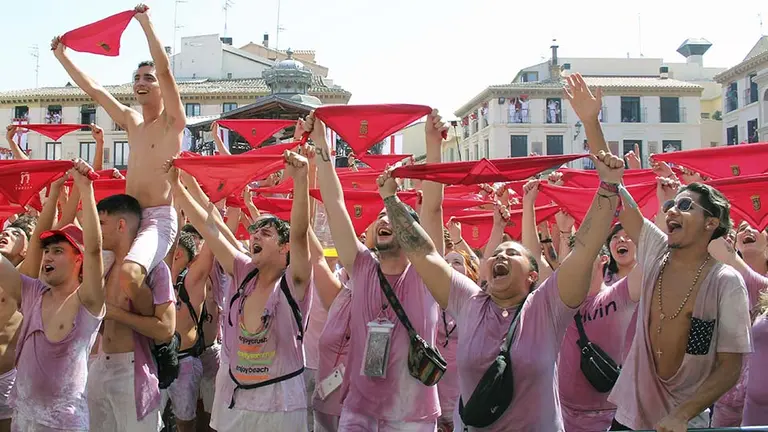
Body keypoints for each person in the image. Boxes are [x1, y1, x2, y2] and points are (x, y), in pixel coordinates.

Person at [374, 130, 624, 432]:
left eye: (512, 253)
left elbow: (584, 249)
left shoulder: (547, 306)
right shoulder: (469, 302)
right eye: (496, 253)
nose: (499, 257)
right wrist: (391, 199)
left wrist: (609, 186)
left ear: (532, 276)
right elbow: (425, 254)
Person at [308, 110, 447, 430]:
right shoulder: (361, 267)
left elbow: (433, 207)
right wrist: (320, 144)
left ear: (413, 234)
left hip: (413, 417)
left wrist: (432, 144)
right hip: (358, 412)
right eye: (381, 217)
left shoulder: (428, 274)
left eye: (394, 218)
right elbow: (335, 204)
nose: (384, 221)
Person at [52, 4, 184, 317]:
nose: (141, 82)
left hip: (158, 220)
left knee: (129, 275)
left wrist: (145, 24)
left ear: (163, 88)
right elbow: (95, 91)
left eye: (148, 78)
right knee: (84, 277)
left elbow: (165, 71)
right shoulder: (132, 121)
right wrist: (62, 56)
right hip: (127, 217)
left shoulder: (173, 121)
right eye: (137, 77)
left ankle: (158, 327)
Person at [167, 150, 312, 431]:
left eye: (266, 234)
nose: (255, 236)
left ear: (285, 248)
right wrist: (178, 188)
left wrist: (302, 180)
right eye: (254, 232)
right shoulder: (243, 271)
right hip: (236, 398)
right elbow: (211, 229)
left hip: (280, 404)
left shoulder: (295, 280)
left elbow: (300, 233)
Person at [0, 159, 105, 431]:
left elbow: (94, 249)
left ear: (78, 261)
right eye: (48, 251)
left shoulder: (88, 301)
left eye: (58, 251)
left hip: (63, 423)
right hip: (23, 417)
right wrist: (55, 190)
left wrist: (86, 190)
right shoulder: (33, 292)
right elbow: (33, 244)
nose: (47, 256)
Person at [87, 194, 176, 431]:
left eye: (101, 223)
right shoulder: (105, 266)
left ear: (121, 225)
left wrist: (115, 314)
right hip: (99, 366)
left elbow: (166, 330)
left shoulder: (155, 270)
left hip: (132, 370)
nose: (97, 230)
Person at [165, 231, 211, 432]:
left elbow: (211, 247)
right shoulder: (154, 280)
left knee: (185, 423)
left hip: (184, 362)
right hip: (154, 363)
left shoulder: (192, 282)